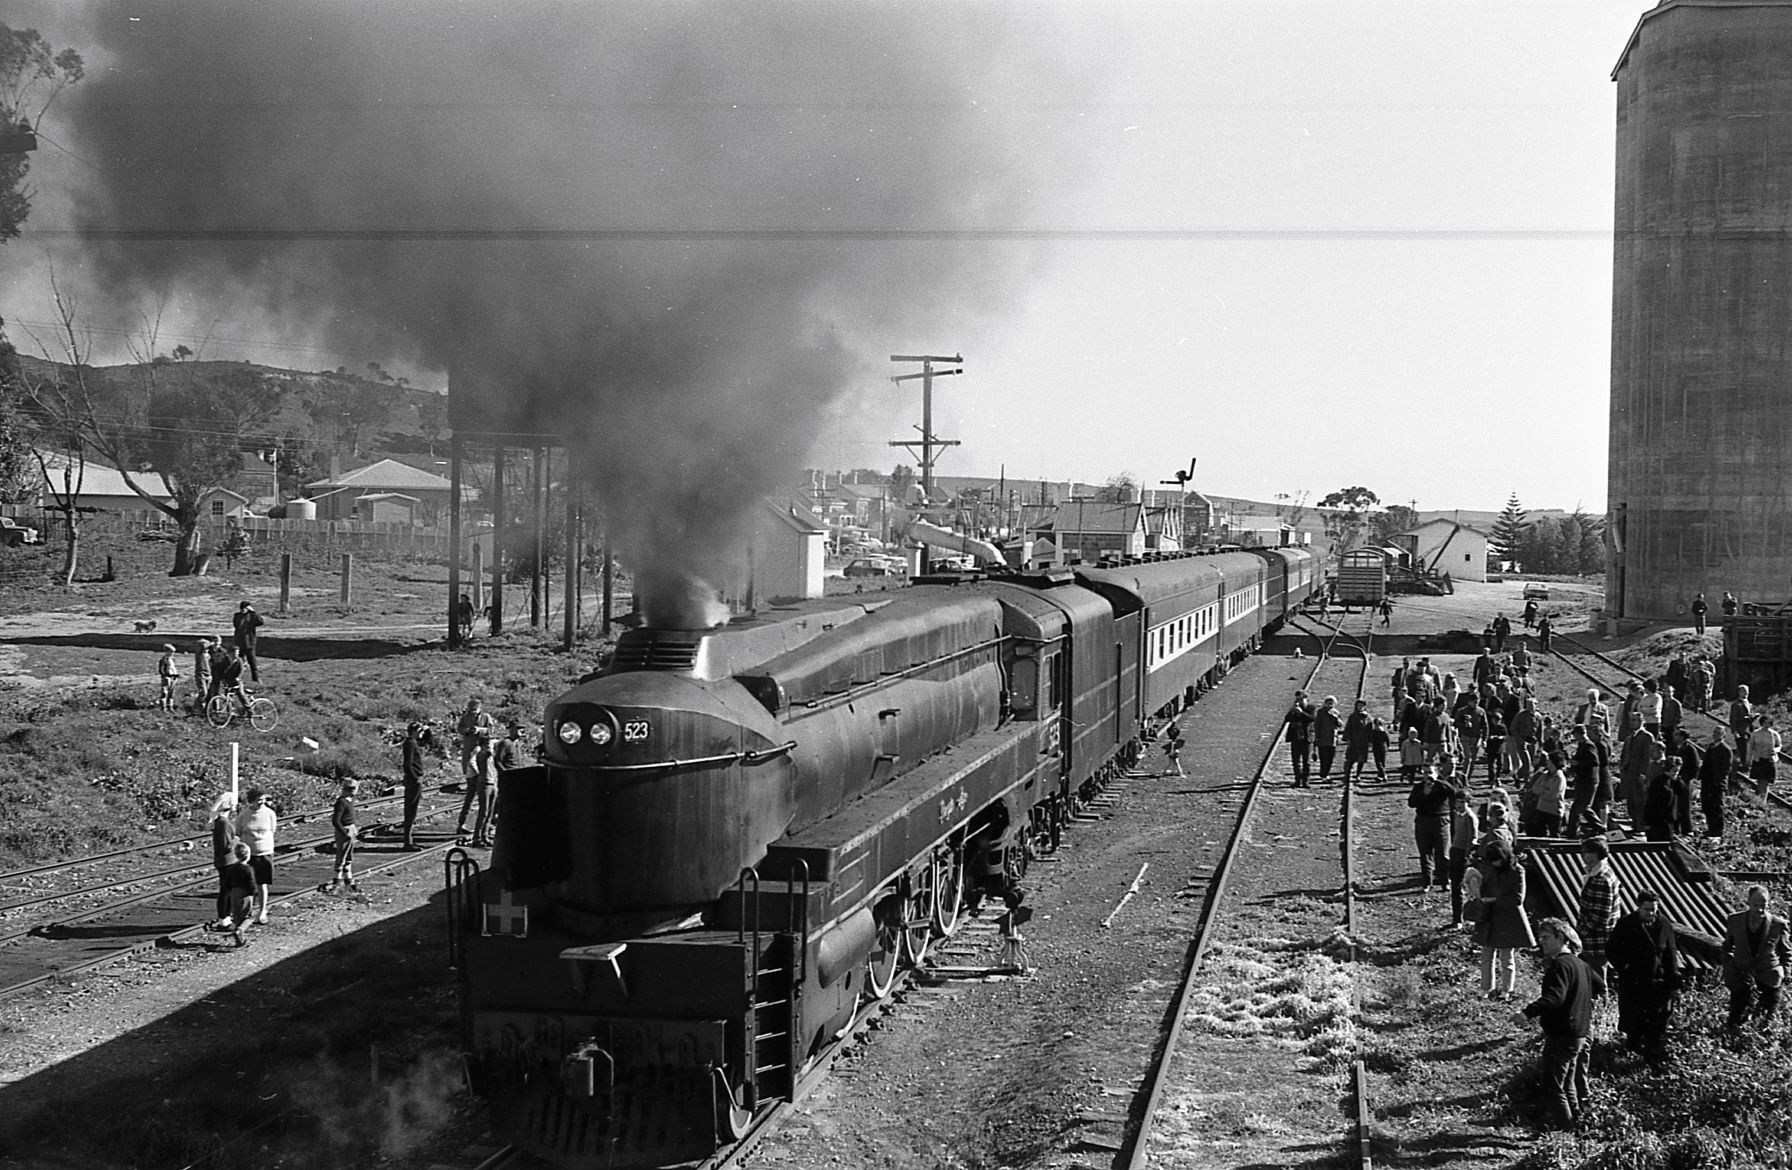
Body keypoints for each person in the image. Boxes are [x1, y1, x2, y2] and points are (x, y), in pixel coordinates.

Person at [1512, 917, 1598, 1129]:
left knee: (1552, 1088)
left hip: (1562, 1035)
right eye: (1541, 937)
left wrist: (1526, 1013)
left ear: (1562, 937)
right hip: (1580, 1033)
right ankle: (1579, 1126)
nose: (1542, 941)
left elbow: (1554, 998)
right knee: (1567, 1084)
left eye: (1547, 937)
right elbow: (1600, 985)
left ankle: (1567, 1133)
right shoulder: (1581, 965)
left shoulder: (1559, 965)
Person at [1607, 890, 1681, 1059]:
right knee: (1634, 1021)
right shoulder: (1626, 924)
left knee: (1657, 1021)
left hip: (1657, 983)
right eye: (1647, 909)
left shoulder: (1664, 925)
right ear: (1639, 907)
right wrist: (1624, 966)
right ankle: (1631, 1051)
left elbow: (1671, 955)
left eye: (1654, 909)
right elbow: (1612, 949)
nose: (1651, 913)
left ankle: (1651, 1055)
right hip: (1634, 983)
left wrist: (1674, 984)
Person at [1722, 884, 1792, 1032]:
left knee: (1766, 1020)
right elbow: (1726, 947)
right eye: (1755, 904)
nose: (1759, 909)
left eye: (1763, 905)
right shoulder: (1735, 920)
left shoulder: (1778, 924)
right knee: (1736, 1015)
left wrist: (1785, 972)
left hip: (1769, 975)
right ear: (1748, 902)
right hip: (1742, 974)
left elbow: (1786, 952)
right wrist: (1729, 967)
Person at [1476, 837, 1533, 1000]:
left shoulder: (1518, 870)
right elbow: (1485, 885)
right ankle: (1486, 988)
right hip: (1490, 916)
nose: (1494, 864)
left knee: (1506, 957)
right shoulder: (1490, 868)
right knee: (1486, 954)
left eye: (1497, 860)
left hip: (1509, 918)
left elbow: (1518, 899)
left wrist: (1494, 899)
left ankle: (1507, 991)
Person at [1576, 836, 1621, 989]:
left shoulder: (1601, 878)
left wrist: (1582, 931)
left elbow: (1601, 916)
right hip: (1597, 935)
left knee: (1597, 977)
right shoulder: (1598, 872)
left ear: (1596, 854)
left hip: (1597, 937)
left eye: (1586, 852)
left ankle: (1599, 1007)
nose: (1583, 855)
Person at [234, 788, 278, 925]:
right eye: (258, 799)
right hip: (249, 855)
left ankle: (263, 910)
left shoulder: (270, 813)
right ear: (251, 800)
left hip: (265, 852)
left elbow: (273, 829)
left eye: (263, 799)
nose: (261, 802)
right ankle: (247, 911)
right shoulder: (243, 815)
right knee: (248, 884)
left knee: (262, 883)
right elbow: (238, 832)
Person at [1409, 765, 1452, 892]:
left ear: (1436, 773)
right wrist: (1423, 794)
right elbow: (1411, 803)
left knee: (1443, 854)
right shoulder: (1418, 787)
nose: (1427, 775)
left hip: (1441, 822)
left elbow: (1455, 792)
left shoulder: (1442, 786)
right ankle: (1427, 882)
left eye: (1430, 772)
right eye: (1425, 772)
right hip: (1423, 822)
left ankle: (1444, 881)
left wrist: (1439, 781)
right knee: (1425, 853)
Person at [212, 841, 256, 947]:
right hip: (245, 894)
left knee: (236, 916)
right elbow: (251, 883)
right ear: (248, 856)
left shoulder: (231, 868)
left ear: (235, 855)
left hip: (234, 893)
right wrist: (253, 893)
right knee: (248, 916)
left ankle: (240, 940)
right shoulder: (248, 869)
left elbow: (227, 882)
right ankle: (240, 931)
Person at [459, 729, 497, 846]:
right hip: (485, 784)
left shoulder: (489, 755)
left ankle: (484, 836)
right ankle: (477, 837)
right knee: (483, 812)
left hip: (492, 783)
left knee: (489, 812)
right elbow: (473, 761)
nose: (491, 747)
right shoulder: (482, 754)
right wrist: (477, 773)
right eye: (488, 745)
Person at [1448, 787, 1480, 928]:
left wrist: (1467, 857)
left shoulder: (1470, 817)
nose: (1459, 805)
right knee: (1454, 886)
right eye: (1457, 802)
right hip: (1455, 850)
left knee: (1461, 886)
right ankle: (1456, 918)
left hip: (1462, 854)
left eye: (1462, 801)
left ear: (1468, 802)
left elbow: (1472, 839)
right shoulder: (1456, 815)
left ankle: (1463, 919)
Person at [208, 791, 238, 929]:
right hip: (227, 861)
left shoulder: (219, 822)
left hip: (225, 860)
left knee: (227, 889)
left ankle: (226, 917)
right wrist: (236, 841)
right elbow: (225, 846)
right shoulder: (223, 823)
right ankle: (224, 918)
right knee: (226, 890)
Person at [325, 778, 360, 893]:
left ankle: (349, 882)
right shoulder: (342, 802)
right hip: (345, 830)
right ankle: (336, 883)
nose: (353, 791)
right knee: (341, 856)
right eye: (351, 789)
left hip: (351, 828)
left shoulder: (350, 800)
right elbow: (336, 820)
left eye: (354, 788)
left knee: (348, 857)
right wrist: (344, 832)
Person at [1700, 727, 1733, 841]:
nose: (1715, 735)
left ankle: (1717, 830)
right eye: (1714, 732)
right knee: (1706, 805)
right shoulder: (1711, 746)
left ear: (1723, 735)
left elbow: (1725, 769)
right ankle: (1710, 828)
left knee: (1716, 806)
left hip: (1717, 783)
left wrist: (1717, 781)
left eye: (1718, 733)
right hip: (1707, 781)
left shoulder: (1725, 750)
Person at [401, 721, 427, 850]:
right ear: (415, 731)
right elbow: (407, 764)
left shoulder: (411, 742)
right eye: (420, 731)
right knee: (411, 810)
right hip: (414, 780)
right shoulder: (410, 743)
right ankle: (408, 842)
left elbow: (429, 738)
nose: (422, 733)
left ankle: (409, 840)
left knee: (412, 810)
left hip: (414, 779)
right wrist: (415, 778)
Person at [1642, 758, 1681, 842]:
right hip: (1659, 821)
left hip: (1667, 820)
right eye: (1675, 770)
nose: (1676, 773)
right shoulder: (1659, 783)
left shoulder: (1671, 782)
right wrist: (1647, 821)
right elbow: (1651, 803)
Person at [457, 696, 494, 782]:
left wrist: (479, 730)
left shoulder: (486, 716)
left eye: (474, 709)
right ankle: (470, 782)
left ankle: (481, 781)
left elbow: (490, 731)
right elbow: (459, 728)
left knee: (481, 764)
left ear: (479, 708)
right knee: (468, 763)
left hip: (481, 745)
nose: (472, 712)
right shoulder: (465, 717)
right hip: (469, 744)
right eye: (471, 709)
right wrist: (467, 730)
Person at [1747, 713, 1781, 801]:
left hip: (1769, 760)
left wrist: (1776, 750)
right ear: (1762, 723)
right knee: (1760, 781)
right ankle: (1759, 799)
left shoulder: (1774, 734)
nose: (1767, 725)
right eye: (1765, 723)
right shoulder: (1756, 733)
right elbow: (1750, 747)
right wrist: (1748, 759)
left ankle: (1763, 800)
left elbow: (1779, 746)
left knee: (1765, 782)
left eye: (1769, 723)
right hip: (1759, 759)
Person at [1285, 690, 1315, 788]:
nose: (1300, 702)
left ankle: (1305, 781)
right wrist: (1292, 710)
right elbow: (1287, 719)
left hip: (1306, 738)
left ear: (1306, 699)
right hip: (1295, 737)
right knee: (1295, 761)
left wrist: (1301, 712)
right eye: (1298, 699)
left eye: (1302, 699)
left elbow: (1311, 719)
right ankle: (1297, 780)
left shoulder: (1310, 708)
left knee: (1306, 761)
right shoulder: (1294, 709)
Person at [232, 600, 264, 684]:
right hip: (239, 642)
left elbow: (260, 622)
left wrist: (253, 612)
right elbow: (236, 624)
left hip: (249, 643)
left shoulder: (252, 616)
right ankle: (236, 677)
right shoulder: (237, 616)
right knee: (238, 662)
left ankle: (255, 678)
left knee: (252, 662)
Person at [1342, 699, 1373, 783]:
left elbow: (1370, 729)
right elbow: (1348, 727)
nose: (1360, 707)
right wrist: (1347, 738)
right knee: (1351, 758)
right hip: (1354, 740)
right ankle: (1347, 773)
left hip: (1364, 741)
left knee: (1362, 759)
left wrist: (1370, 740)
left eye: (1362, 706)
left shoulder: (1367, 717)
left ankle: (1358, 774)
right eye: (1359, 705)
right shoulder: (1353, 716)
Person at [1314, 696, 1342, 783]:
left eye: (1332, 703)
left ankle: (1326, 774)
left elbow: (1340, 725)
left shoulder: (1336, 712)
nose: (1330, 705)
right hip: (1322, 739)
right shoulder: (1321, 712)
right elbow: (1317, 725)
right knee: (1323, 758)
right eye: (1328, 703)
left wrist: (1335, 718)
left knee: (1330, 758)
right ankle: (1323, 775)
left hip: (1332, 739)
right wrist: (1316, 738)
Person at [191, 637, 214, 712]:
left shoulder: (208, 655)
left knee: (206, 693)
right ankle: (195, 707)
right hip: (201, 674)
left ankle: (201, 708)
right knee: (203, 692)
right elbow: (203, 647)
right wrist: (212, 643)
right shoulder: (199, 654)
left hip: (208, 674)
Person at [156, 643, 180, 711]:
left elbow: (174, 668)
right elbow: (161, 669)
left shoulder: (173, 659)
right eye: (171, 652)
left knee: (172, 692)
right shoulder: (163, 660)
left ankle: (170, 706)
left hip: (173, 677)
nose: (172, 654)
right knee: (165, 692)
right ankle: (163, 707)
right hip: (167, 677)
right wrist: (164, 675)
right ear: (167, 652)